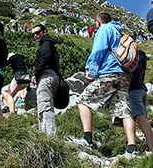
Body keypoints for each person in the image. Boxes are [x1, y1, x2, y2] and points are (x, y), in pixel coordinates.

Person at [74, 13, 137, 155]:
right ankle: (132, 147)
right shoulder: (120, 32)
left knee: (83, 101)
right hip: (125, 76)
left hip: (109, 73)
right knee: (124, 111)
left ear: (98, 21)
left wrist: (91, 72)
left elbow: (98, 51)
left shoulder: (104, 29)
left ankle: (87, 140)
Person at [31, 24, 59, 135]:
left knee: (45, 106)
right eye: (33, 34)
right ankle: (46, 133)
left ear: (44, 32)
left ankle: (49, 136)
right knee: (47, 105)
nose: (36, 36)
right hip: (53, 76)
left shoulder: (46, 44)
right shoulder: (49, 44)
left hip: (45, 76)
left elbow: (44, 58)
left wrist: (36, 74)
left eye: (38, 33)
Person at [129, 50, 153, 151]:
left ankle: (152, 148)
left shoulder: (131, 57)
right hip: (141, 89)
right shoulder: (142, 55)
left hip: (133, 91)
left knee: (142, 121)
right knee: (143, 120)